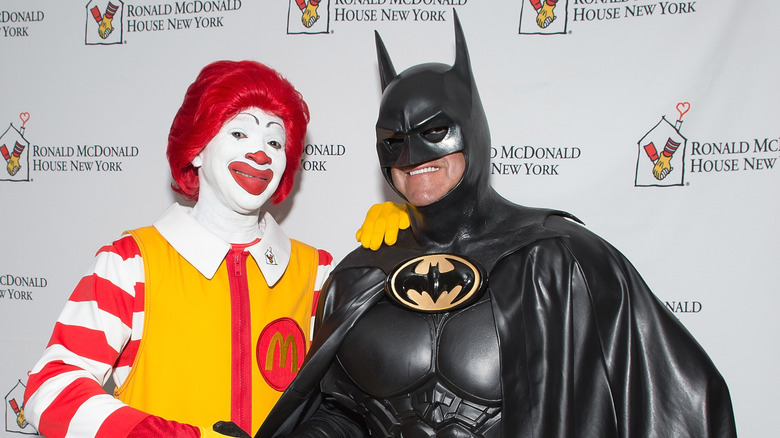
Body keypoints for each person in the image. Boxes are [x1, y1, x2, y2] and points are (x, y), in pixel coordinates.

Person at [250, 12, 737, 438]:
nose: (413, 155)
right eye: (393, 140)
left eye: (434, 131)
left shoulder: (558, 262)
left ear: (474, 129)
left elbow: (680, 404)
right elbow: (345, 413)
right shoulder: (361, 277)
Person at [23, 60, 404, 438]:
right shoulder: (131, 263)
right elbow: (51, 389)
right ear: (197, 150)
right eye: (239, 134)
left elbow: (364, 395)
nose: (260, 154)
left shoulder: (317, 272)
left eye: (274, 142)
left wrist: (411, 242)